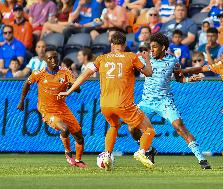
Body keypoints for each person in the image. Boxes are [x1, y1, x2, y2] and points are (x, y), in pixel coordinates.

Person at [57, 31, 156, 170]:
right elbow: (149, 73)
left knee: (114, 126)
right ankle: (141, 152)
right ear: (125, 44)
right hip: (124, 104)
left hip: (105, 105)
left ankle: (107, 155)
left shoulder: (101, 59)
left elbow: (84, 75)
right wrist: (148, 59)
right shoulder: (131, 57)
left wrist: (69, 91)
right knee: (149, 130)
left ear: (111, 44)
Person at [128, 32, 211, 169]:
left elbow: (179, 78)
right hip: (147, 102)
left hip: (165, 102)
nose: (152, 50)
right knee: (131, 128)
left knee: (179, 127)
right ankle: (148, 150)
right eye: (150, 47)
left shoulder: (173, 61)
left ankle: (202, 160)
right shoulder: (144, 60)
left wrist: (189, 80)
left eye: (154, 47)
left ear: (163, 47)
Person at [175, 48, 223, 167]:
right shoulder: (220, 66)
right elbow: (202, 68)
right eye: (221, 59)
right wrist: (183, 70)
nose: (222, 61)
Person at [17, 50, 86, 168]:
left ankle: (78, 161)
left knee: (79, 137)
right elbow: (27, 84)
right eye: (50, 58)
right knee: (64, 128)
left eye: (55, 58)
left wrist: (71, 86)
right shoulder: (39, 73)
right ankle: (68, 153)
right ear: (45, 60)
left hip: (63, 108)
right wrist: (22, 101)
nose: (53, 60)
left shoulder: (65, 72)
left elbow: (78, 89)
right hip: (47, 110)